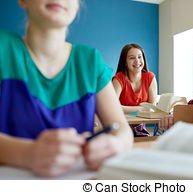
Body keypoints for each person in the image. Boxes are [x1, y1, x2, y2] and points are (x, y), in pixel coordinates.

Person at [0, 0, 133, 177]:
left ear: (76, 6)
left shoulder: (91, 61)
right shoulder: (3, 48)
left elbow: (122, 129)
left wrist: (116, 144)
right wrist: (28, 153)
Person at [112, 43, 158, 136]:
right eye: (132, 58)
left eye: (139, 57)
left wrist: (124, 109)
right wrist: (142, 109)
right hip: (121, 125)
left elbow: (151, 109)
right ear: (125, 62)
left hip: (139, 127)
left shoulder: (150, 77)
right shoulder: (118, 78)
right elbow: (113, 108)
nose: (137, 61)